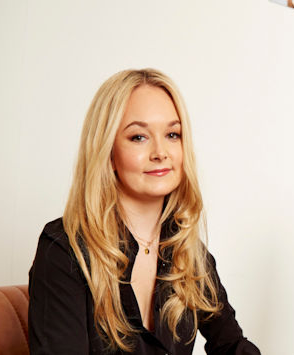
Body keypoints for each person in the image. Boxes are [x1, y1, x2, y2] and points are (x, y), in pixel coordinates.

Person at [28, 69, 260, 354]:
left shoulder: (187, 252)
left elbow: (231, 344)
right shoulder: (64, 249)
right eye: (139, 137)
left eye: (172, 134)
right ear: (108, 152)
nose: (160, 152)